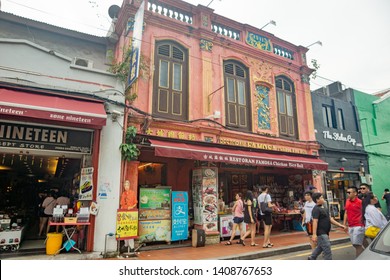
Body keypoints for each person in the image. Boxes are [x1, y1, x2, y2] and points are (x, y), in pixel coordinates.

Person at [308, 193, 346, 260]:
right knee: (327, 249)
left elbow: (330, 219)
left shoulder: (324, 208)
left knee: (321, 246)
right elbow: (315, 221)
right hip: (321, 232)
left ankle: (312, 257)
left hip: (325, 232)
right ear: (317, 200)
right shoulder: (316, 209)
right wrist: (314, 234)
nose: (323, 199)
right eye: (322, 197)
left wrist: (340, 225)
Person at [343, 186, 365, 257]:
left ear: (355, 193)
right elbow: (346, 212)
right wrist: (344, 224)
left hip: (359, 225)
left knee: (357, 245)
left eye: (349, 192)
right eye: (347, 192)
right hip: (350, 226)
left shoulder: (360, 202)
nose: (347, 194)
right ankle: (368, 253)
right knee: (355, 244)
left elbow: (366, 213)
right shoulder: (347, 201)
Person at [119, 180, 137, 253]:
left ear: (129, 185)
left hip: (131, 213)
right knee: (124, 229)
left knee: (130, 230)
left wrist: (131, 207)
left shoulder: (132, 193)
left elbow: (135, 202)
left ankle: (132, 247)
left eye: (127, 185)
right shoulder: (123, 194)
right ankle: (126, 245)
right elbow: (121, 204)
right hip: (124, 213)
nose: (126, 187)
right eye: (125, 185)